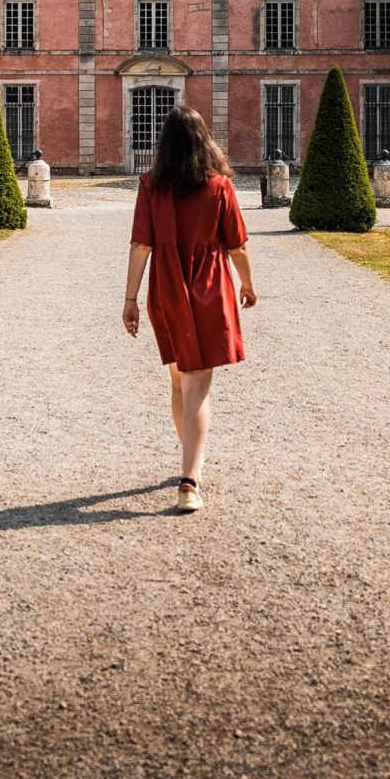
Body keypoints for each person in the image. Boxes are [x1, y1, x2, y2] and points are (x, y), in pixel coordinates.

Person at [122, 106, 256, 513]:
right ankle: (189, 481)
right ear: (204, 141)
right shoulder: (219, 187)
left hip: (167, 288)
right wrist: (248, 284)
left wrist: (130, 300)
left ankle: (189, 456)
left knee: (180, 381)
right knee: (197, 385)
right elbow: (236, 245)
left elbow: (141, 245)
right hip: (210, 288)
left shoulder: (149, 185)